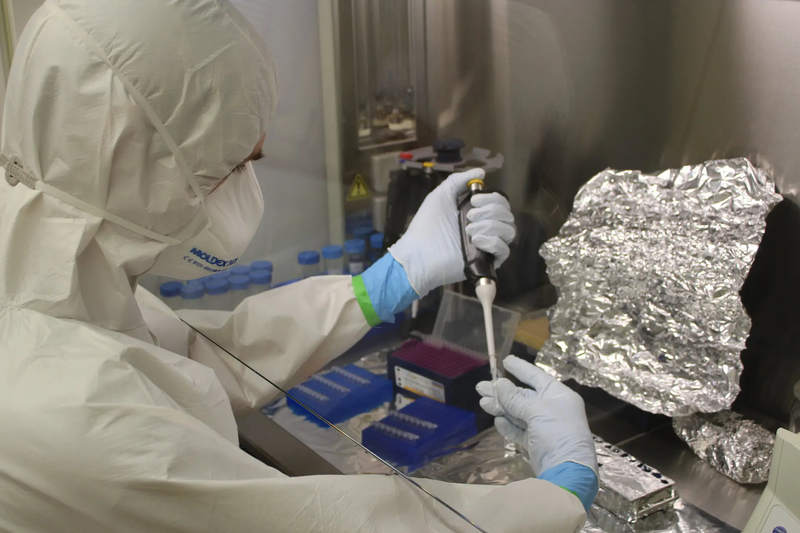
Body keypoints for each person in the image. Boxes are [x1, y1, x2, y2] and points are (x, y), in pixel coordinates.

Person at [0, 1, 597, 532]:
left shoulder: (55, 276)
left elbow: (192, 364)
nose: (251, 186)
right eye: (235, 165)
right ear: (138, 167)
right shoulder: (74, 422)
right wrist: (559, 494)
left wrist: (389, 280)